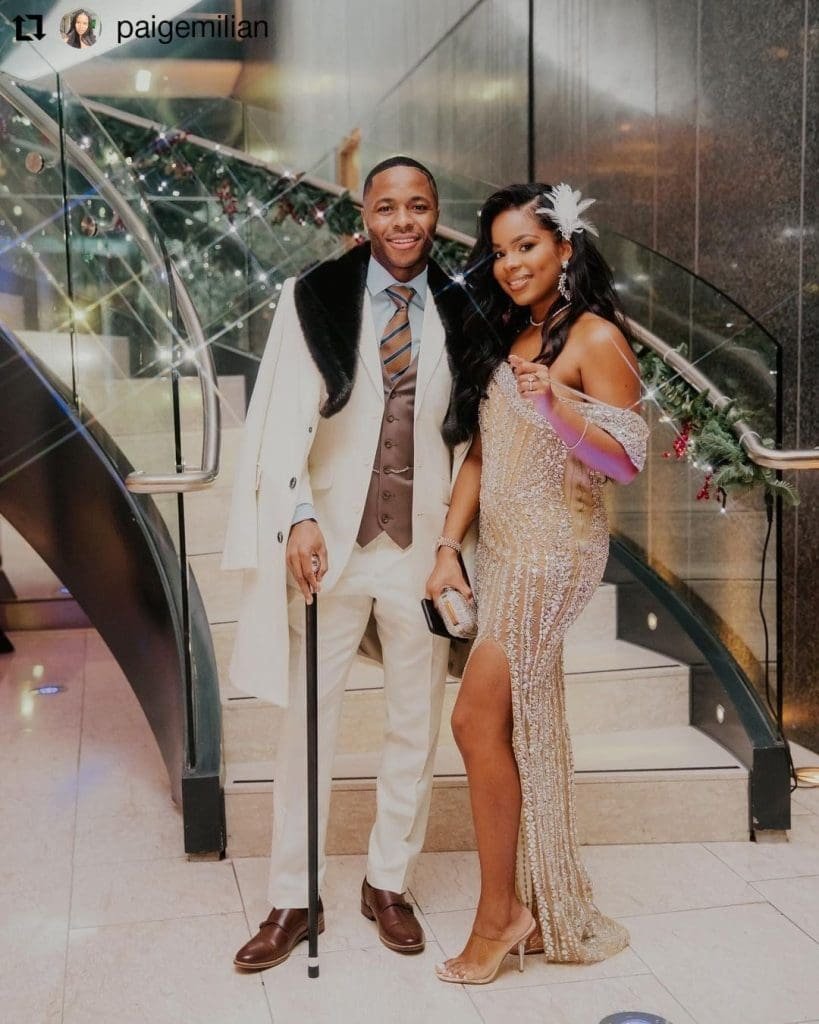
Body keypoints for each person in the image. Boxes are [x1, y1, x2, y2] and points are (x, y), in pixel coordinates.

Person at [222, 157, 470, 970]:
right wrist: (296, 515)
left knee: (413, 722)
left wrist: (453, 548)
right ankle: (293, 896)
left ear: (434, 214)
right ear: (364, 214)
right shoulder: (315, 297)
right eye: (387, 206)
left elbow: (471, 433)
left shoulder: (463, 306)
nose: (403, 221)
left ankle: (387, 882)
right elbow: (277, 421)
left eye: (418, 206)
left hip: (421, 552)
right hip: (328, 545)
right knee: (309, 724)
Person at [426, 182, 648, 984]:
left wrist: (555, 403)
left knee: (472, 718)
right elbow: (482, 456)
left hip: (555, 549)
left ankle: (501, 914)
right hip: (502, 546)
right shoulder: (514, 332)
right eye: (499, 251)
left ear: (564, 247)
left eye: (526, 246)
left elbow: (625, 462)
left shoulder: (594, 336)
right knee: (510, 722)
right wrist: (447, 547)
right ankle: (532, 899)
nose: (511, 263)